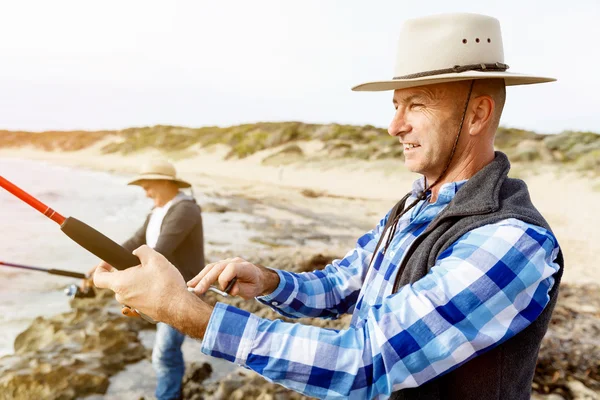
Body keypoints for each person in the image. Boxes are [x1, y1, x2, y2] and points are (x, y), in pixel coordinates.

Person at [92, 13, 563, 399]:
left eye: (415, 104)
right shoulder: (418, 202)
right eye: (395, 104)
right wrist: (270, 282)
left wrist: (183, 310)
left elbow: (363, 363)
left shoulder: (512, 240)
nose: (393, 126)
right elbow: (345, 284)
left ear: (478, 114)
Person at [89, 159, 205, 400]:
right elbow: (136, 243)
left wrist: (121, 276)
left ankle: (168, 396)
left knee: (163, 353)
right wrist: (104, 263)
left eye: (147, 185)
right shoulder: (157, 210)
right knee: (167, 351)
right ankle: (173, 392)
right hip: (162, 288)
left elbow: (159, 251)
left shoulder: (185, 209)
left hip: (183, 291)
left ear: (165, 182)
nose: (144, 192)